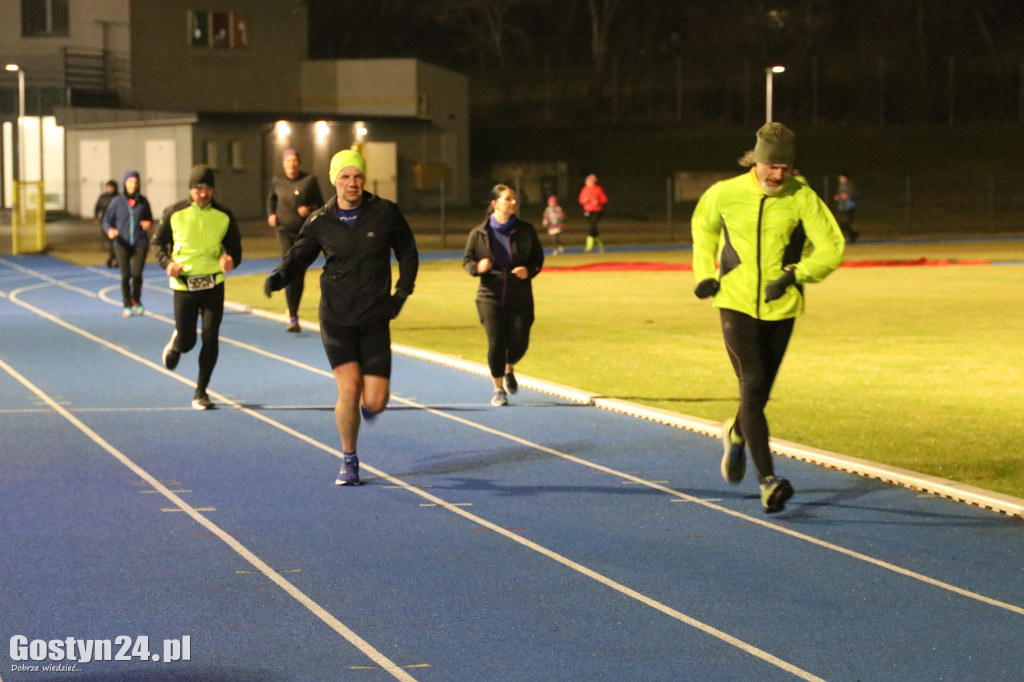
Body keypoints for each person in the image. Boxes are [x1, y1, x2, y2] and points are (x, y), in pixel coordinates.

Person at [690, 122, 845, 514]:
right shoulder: (724, 194)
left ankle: (736, 432)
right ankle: (768, 481)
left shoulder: (802, 198)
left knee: (757, 396)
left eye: (786, 168)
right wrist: (704, 275)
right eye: (772, 165)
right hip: (735, 302)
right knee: (753, 382)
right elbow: (703, 231)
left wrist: (796, 275)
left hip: (782, 306)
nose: (778, 175)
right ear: (756, 160)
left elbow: (832, 247)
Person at [264, 149, 418, 486]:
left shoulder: (385, 213)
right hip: (336, 317)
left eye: (358, 176)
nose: (353, 183)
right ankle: (349, 459)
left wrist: (401, 294)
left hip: (375, 316)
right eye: (345, 177)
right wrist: (280, 276)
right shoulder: (320, 220)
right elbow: (298, 255)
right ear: (335, 180)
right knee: (349, 390)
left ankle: (366, 410)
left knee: (375, 400)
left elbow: (407, 251)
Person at [152, 164, 243, 411]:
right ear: (190, 189)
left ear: (213, 190)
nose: (203, 194)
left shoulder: (224, 215)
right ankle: (178, 343)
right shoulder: (174, 213)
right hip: (184, 285)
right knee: (189, 341)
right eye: (197, 188)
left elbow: (235, 248)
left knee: (211, 337)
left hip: (213, 283)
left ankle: (201, 391)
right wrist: (167, 263)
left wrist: (230, 260)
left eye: (207, 189)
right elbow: (158, 242)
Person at [463, 184, 545, 407]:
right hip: (489, 295)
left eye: (514, 198)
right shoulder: (479, 233)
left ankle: (509, 366)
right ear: (495, 203)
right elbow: (467, 260)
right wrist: (477, 268)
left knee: (520, 342)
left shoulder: (526, 230)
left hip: (520, 296)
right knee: (496, 342)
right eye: (508, 198)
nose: (513, 202)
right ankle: (498, 389)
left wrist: (530, 270)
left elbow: (537, 258)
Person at [266, 149, 325, 332]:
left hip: (304, 233)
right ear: (284, 164)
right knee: (290, 267)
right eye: (288, 161)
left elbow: (321, 205)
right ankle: (293, 316)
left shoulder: (310, 181)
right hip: (284, 231)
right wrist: (271, 214)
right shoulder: (277, 181)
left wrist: (309, 209)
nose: (291, 164)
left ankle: (293, 310)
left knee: (299, 272)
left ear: (299, 163)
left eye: (294, 161)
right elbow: (271, 200)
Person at [101, 171, 154, 316]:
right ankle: (126, 304)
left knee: (137, 275)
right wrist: (110, 230)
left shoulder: (143, 201)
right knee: (126, 275)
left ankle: (136, 300)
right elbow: (106, 220)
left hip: (140, 242)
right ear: (125, 183)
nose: (133, 185)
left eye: (136, 182)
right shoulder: (117, 201)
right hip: (121, 243)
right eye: (130, 182)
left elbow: (149, 219)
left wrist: (148, 224)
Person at [578, 173, 608, 253]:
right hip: (588, 211)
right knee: (593, 229)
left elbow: (604, 199)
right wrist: (584, 201)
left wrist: (598, 201)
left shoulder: (598, 189)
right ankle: (601, 246)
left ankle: (588, 248)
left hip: (597, 211)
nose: (587, 182)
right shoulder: (584, 189)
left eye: (588, 181)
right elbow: (580, 200)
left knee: (591, 228)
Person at [94, 180, 119, 268]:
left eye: (111, 187)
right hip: (106, 222)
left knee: (116, 241)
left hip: (117, 222)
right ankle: (113, 257)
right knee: (110, 241)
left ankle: (113, 258)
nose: (109, 189)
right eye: (108, 187)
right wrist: (96, 217)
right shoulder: (102, 197)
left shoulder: (119, 197)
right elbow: (97, 207)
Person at [833, 172, 859, 243]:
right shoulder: (841, 185)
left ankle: (853, 235)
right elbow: (841, 195)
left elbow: (855, 193)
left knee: (845, 223)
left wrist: (848, 195)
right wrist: (838, 197)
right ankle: (853, 235)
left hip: (849, 206)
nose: (839, 179)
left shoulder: (849, 185)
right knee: (843, 224)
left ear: (845, 178)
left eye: (841, 177)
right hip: (843, 207)